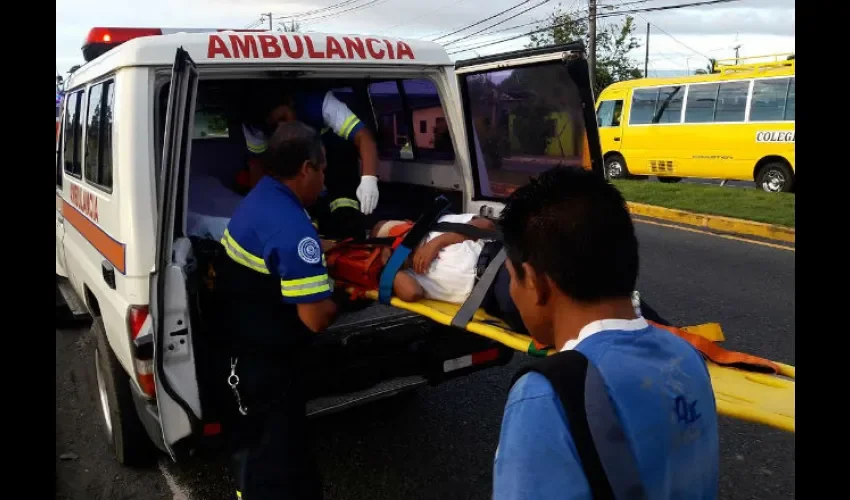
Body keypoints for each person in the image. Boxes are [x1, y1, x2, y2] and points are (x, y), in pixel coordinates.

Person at [492, 166, 719, 499]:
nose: (511, 290)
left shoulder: (545, 397)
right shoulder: (686, 356)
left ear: (536, 283)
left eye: (512, 277)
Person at [214, 121, 342, 500]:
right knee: (283, 467)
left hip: (241, 347)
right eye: (323, 170)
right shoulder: (292, 229)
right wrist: (342, 298)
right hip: (269, 366)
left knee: (254, 450)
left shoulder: (261, 197)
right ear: (306, 169)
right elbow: (315, 319)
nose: (324, 180)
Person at [239, 87, 381, 239]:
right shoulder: (255, 128)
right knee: (306, 226)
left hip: (338, 161)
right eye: (274, 126)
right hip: (299, 171)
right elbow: (258, 165)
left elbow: (364, 137)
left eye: (283, 118)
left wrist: (369, 178)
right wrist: (258, 205)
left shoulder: (318, 104)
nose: (283, 127)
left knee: (345, 217)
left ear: (290, 102)